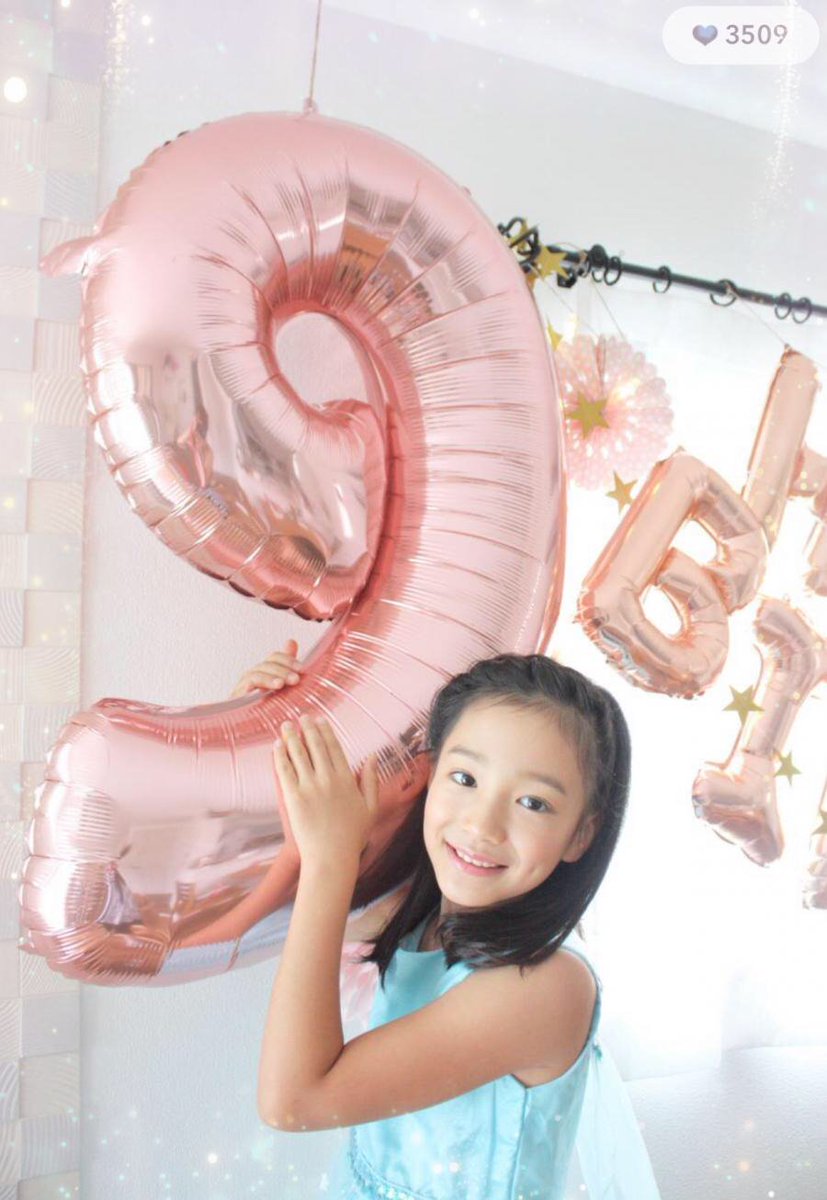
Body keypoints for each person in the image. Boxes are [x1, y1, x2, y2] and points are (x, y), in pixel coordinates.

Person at [250, 641, 662, 1199]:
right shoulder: (422, 911)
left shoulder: (544, 987)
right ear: (431, 772)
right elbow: (284, 920)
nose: (482, 826)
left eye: (533, 803)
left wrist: (331, 859)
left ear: (580, 836)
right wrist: (268, 729)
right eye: (465, 779)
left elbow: (293, 1102)